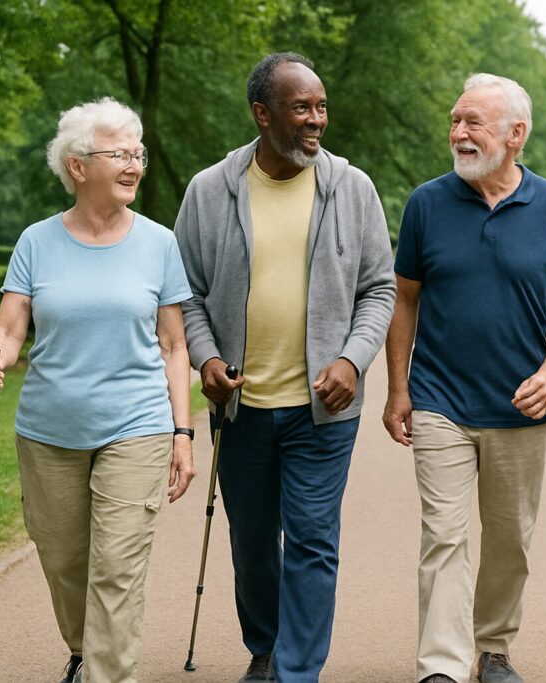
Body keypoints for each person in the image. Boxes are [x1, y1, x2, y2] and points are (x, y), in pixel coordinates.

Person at [174, 52, 395, 683]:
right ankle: (266, 646)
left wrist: (353, 360)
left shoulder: (352, 187)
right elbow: (183, 292)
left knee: (311, 541)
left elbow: (379, 288)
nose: (317, 120)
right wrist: (206, 357)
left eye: (322, 107)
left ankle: (295, 672)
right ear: (262, 114)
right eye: (303, 108)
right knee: (252, 547)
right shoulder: (210, 189)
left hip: (323, 411)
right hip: (241, 407)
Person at [0, 97, 195, 683]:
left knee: (117, 568)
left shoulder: (158, 244)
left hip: (136, 426)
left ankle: (105, 673)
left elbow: (175, 345)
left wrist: (183, 431)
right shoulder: (36, 242)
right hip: (49, 431)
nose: (135, 164)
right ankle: (85, 649)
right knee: (66, 561)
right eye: (120, 153)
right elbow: (11, 325)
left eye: (138, 153)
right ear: (77, 166)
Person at [383, 73, 546, 683]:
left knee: (510, 540)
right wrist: (399, 388)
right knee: (444, 536)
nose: (458, 133)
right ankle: (442, 666)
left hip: (520, 405)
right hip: (440, 400)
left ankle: (495, 649)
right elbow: (404, 301)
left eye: (473, 122)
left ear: (515, 134)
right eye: (456, 120)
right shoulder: (427, 202)